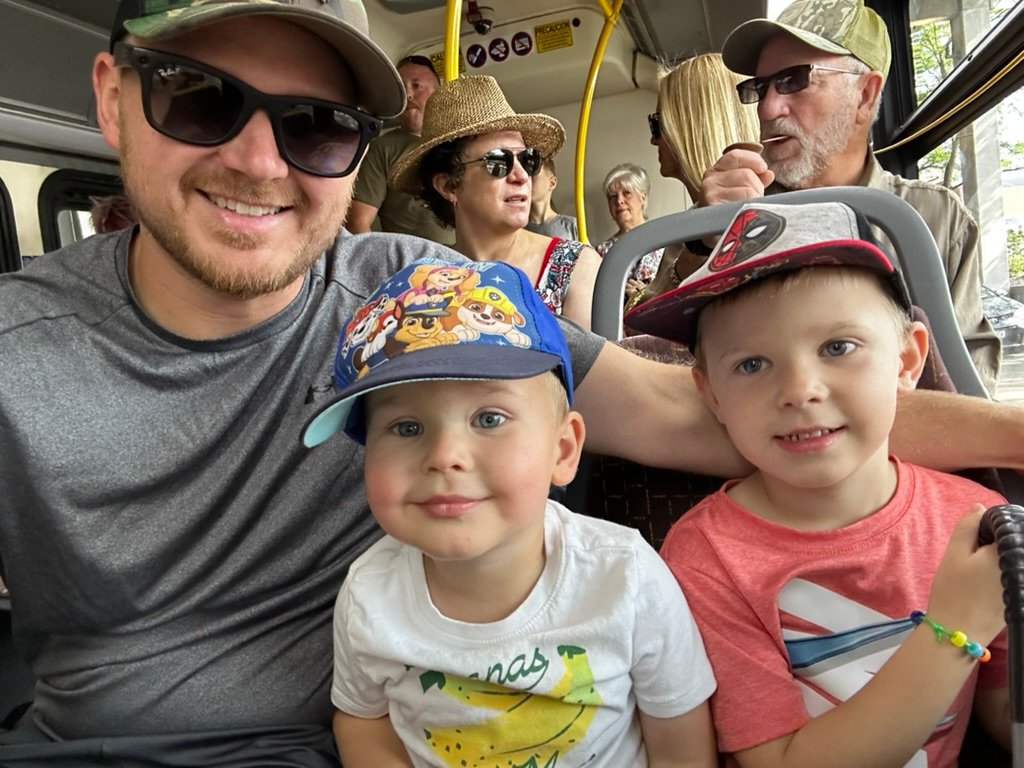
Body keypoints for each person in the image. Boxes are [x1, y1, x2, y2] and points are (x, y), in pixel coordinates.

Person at [2, 0, 1024, 765]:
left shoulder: (424, 299)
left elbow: (717, 413)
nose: (262, 161)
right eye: (200, 99)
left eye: (315, 124)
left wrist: (1012, 435)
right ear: (110, 98)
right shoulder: (18, 346)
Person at [627, 200, 1009, 767]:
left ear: (907, 361)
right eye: (752, 365)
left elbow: (1005, 716)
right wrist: (954, 629)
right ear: (711, 397)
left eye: (837, 348)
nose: (800, 391)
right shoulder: (706, 558)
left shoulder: (976, 520)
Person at [306, 256, 717, 767]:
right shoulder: (370, 595)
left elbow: (680, 740)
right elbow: (362, 720)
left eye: (490, 417)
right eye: (407, 428)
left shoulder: (625, 578)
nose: (444, 456)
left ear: (563, 450)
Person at [699, 0, 1001, 394]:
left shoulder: (935, 219)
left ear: (864, 94)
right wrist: (704, 239)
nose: (769, 107)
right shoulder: (731, 211)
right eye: (760, 87)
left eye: (793, 80)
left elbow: (970, 396)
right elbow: (650, 355)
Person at [389, 75, 602, 329]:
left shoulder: (576, 267)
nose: (522, 176)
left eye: (528, 160)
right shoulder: (424, 278)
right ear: (449, 186)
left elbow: (591, 367)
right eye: (499, 162)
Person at [632, 53, 760, 308]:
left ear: (689, 125)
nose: (653, 140)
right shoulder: (683, 231)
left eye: (656, 124)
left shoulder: (766, 212)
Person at [345, 55, 454, 244]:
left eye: (416, 86)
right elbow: (357, 222)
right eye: (402, 89)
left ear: (438, 92)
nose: (409, 95)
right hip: (416, 268)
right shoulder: (381, 149)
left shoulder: (460, 141)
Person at [595, 163, 664, 308]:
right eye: (612, 196)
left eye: (626, 193)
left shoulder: (665, 240)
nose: (619, 201)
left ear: (643, 197)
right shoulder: (601, 251)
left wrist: (645, 294)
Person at [525, 155, 580, 240]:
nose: (525, 180)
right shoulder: (516, 229)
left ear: (552, 183)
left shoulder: (572, 226)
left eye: (532, 174)